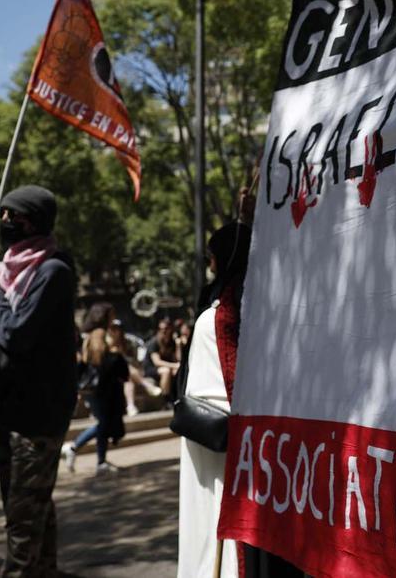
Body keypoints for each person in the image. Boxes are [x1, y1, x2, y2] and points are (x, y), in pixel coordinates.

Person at [0, 184, 78, 576]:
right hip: (9, 411)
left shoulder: (52, 272)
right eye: (3, 216)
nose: (4, 224)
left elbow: (16, 334)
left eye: (12, 217)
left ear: (32, 222)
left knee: (21, 520)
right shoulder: (7, 273)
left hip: (38, 415)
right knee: (34, 510)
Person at [178, 222, 252, 578]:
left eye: (212, 257)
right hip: (224, 435)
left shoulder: (218, 315)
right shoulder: (252, 306)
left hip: (216, 438)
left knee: (212, 524)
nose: (209, 265)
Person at [63, 314, 130, 474]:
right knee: (103, 425)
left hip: (95, 392)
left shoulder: (90, 346)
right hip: (100, 393)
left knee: (103, 425)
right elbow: (121, 373)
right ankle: (75, 448)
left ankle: (100, 461)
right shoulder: (107, 352)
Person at [145, 318, 181, 398]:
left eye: (166, 329)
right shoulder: (154, 342)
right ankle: (165, 398)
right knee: (166, 371)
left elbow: (178, 359)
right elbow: (157, 362)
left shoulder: (172, 342)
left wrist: (178, 345)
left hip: (166, 366)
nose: (163, 331)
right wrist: (174, 365)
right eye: (161, 329)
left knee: (177, 371)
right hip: (151, 369)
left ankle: (177, 396)